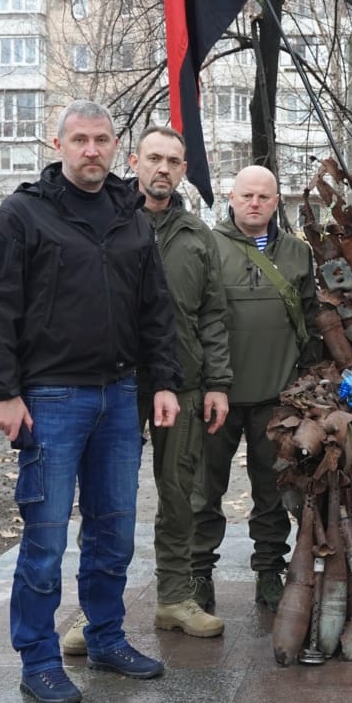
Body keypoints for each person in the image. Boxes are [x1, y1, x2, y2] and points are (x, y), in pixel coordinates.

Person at [0, 99, 182, 703]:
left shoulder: (130, 215)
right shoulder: (24, 214)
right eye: (80, 139)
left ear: (118, 148)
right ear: (58, 145)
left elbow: (154, 311)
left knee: (113, 532)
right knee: (46, 536)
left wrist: (163, 382)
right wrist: (2, 392)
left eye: (102, 139)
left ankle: (105, 636)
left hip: (119, 398)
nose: (92, 150)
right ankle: (37, 656)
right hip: (50, 399)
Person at [60, 126, 231, 654]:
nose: (163, 168)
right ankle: (94, 612)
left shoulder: (198, 236)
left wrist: (217, 383)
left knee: (180, 492)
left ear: (183, 170)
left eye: (173, 161)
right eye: (153, 158)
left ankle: (175, 597)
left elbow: (213, 315)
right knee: (107, 500)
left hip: (180, 383)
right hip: (112, 382)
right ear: (134, 160)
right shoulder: (105, 221)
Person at [191, 165, 320, 613]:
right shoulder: (206, 246)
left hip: (275, 397)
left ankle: (269, 571)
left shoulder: (297, 254)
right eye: (247, 195)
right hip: (216, 397)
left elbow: (311, 321)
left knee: (271, 489)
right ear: (230, 196)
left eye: (264, 197)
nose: (254, 203)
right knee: (204, 490)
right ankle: (197, 575)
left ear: (275, 201)